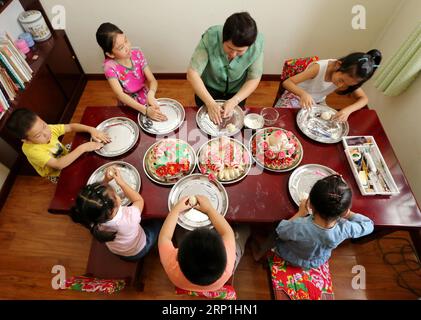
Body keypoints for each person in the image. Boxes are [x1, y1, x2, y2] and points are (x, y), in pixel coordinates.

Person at [274, 174, 374, 269]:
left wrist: (300, 213)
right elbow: (368, 225)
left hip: (291, 256)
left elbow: (281, 231)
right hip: (316, 261)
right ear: (344, 210)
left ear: (310, 205)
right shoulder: (346, 229)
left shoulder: (299, 226)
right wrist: (347, 214)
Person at [158, 195, 250, 291]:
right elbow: (227, 232)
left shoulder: (171, 267)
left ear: (177, 257)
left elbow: (165, 237)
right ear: (224, 253)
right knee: (244, 228)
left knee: (179, 229)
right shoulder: (227, 267)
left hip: (182, 284)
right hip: (216, 285)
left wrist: (175, 210)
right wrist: (209, 210)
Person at [187, 12, 264, 125]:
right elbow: (192, 73)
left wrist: (235, 100)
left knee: (232, 124)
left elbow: (254, 78)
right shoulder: (211, 36)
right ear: (223, 37)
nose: (233, 54)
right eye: (229, 48)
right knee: (205, 123)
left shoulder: (257, 45)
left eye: (240, 51)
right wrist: (209, 103)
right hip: (207, 90)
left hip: (237, 92)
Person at [70, 167, 161, 260]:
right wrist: (121, 183)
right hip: (138, 250)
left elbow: (98, 200)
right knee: (159, 221)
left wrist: (105, 181)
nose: (117, 194)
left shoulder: (92, 219)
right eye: (115, 195)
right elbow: (138, 200)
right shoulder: (129, 218)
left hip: (119, 251)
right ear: (112, 208)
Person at [6, 108, 108, 180]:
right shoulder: (32, 151)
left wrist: (91, 130)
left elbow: (71, 127)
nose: (46, 133)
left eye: (44, 125)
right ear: (26, 140)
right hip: (57, 172)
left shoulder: (45, 129)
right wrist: (83, 148)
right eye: (38, 135)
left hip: (64, 154)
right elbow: (58, 165)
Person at [280, 50, 382, 122]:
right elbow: (287, 83)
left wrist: (348, 110)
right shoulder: (318, 68)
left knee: (327, 124)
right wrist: (303, 94)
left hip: (317, 102)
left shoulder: (350, 77)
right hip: (295, 95)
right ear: (338, 65)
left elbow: (364, 99)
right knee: (284, 121)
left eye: (347, 84)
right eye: (341, 80)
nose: (341, 85)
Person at [96, 22, 167, 122]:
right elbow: (120, 95)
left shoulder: (137, 54)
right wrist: (145, 110)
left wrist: (151, 94)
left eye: (126, 40)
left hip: (146, 96)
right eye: (121, 47)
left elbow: (152, 81)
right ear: (110, 54)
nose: (127, 47)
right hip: (128, 104)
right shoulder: (110, 67)